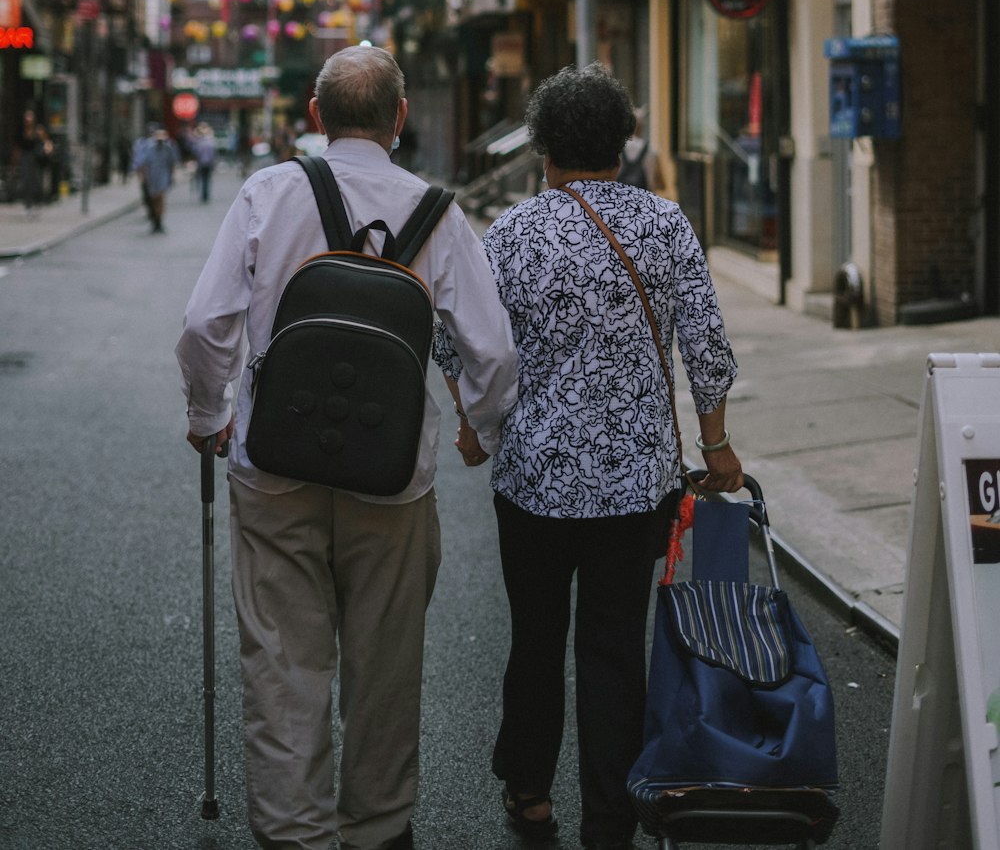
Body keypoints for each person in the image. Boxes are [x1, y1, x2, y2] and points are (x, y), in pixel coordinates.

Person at [174, 45, 519, 850]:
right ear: (400, 120)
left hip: (274, 468)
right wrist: (481, 426)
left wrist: (207, 414)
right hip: (393, 482)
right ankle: (376, 827)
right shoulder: (439, 210)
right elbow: (493, 354)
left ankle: (295, 833)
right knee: (385, 668)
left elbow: (204, 325)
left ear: (314, 116)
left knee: (284, 663)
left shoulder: (268, 192)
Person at [443, 64, 742, 850]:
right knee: (613, 650)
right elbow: (707, 350)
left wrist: (473, 428)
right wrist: (715, 444)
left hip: (534, 481)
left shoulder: (510, 233)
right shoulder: (666, 225)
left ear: (543, 148)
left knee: (536, 638)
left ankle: (530, 791)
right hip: (635, 485)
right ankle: (610, 820)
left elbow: (458, 339)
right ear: (622, 144)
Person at [139, 127, 180, 233]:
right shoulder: (149, 149)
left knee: (160, 199)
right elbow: (144, 164)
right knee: (153, 200)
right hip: (152, 177)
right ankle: (155, 221)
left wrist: (172, 176)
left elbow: (172, 164)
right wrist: (143, 177)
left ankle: (159, 221)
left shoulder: (168, 149)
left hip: (163, 177)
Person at [617, 107, 665, 191]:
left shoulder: (617, 148)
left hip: (621, 199)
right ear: (641, 127)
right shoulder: (651, 150)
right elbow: (661, 183)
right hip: (644, 199)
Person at [191, 123, 217, 203]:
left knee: (202, 179)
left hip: (201, 163)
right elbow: (213, 154)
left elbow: (195, 152)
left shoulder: (199, 142)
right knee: (207, 179)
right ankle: (206, 195)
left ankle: (203, 195)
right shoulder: (211, 142)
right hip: (208, 163)